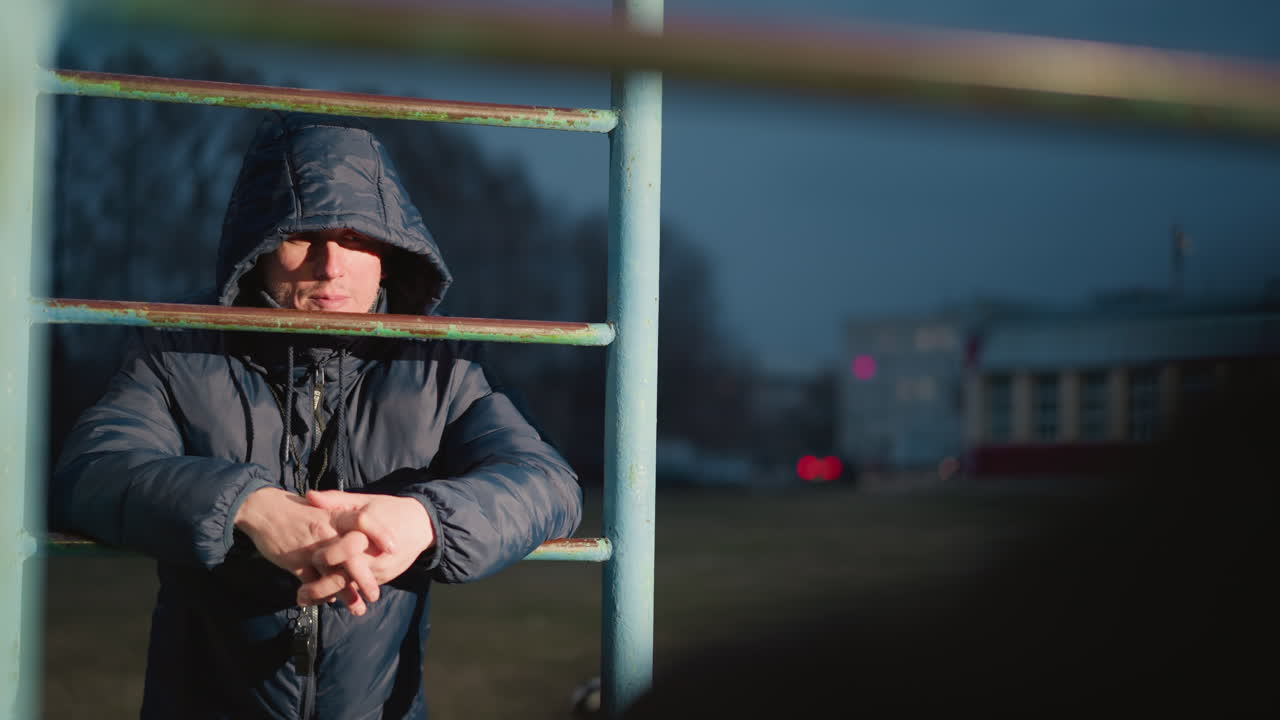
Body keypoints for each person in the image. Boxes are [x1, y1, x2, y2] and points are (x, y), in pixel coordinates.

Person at [50, 111, 583, 719]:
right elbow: (90, 471)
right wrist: (246, 507)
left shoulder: (441, 361)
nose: (331, 266)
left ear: (390, 252)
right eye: (302, 236)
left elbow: (547, 484)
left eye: (355, 238)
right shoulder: (179, 348)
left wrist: (424, 519)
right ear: (257, 249)